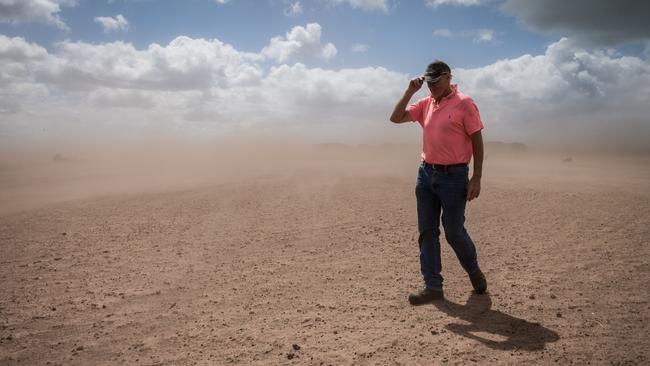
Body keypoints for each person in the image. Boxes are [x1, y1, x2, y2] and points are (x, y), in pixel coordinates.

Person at [389, 60, 487, 305]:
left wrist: (477, 176)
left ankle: (474, 271)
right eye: (428, 83)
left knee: (454, 232)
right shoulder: (426, 104)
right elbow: (395, 117)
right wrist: (410, 91)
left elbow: (477, 139)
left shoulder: (465, 103)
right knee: (427, 232)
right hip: (426, 174)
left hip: (454, 177)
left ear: (448, 77)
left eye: (436, 82)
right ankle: (432, 286)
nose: (431, 87)